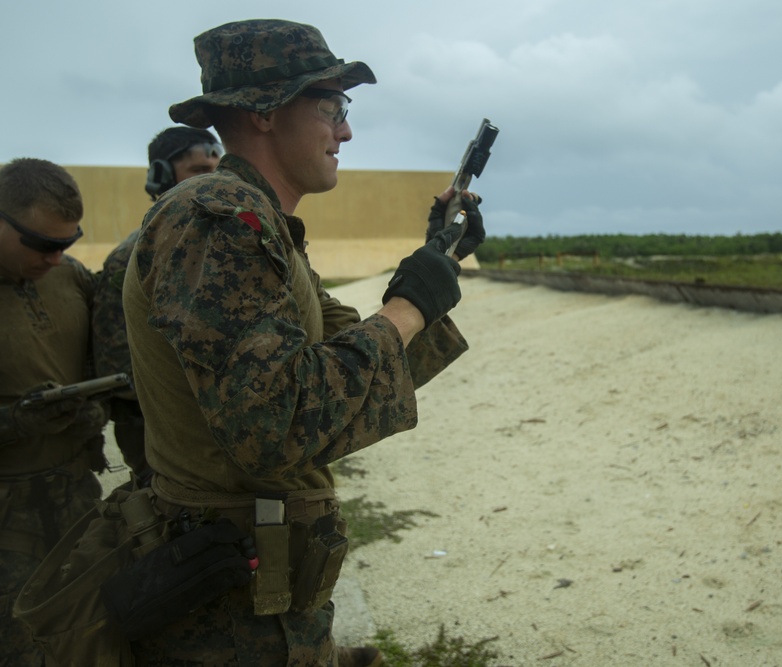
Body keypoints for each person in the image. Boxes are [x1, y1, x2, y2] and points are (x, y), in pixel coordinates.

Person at [120, 19, 485, 666]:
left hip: (266, 602)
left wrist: (437, 257)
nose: (345, 130)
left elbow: (344, 366)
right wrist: (408, 305)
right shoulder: (221, 221)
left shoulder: (261, 227)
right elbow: (279, 422)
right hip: (230, 615)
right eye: (331, 108)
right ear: (263, 112)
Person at [0, 158, 109, 666]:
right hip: (7, 519)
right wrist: (16, 422)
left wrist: (92, 408)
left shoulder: (72, 279)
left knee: (92, 635)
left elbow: (98, 364)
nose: (55, 257)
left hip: (77, 499)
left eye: (67, 243)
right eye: (43, 245)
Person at [92, 126, 222, 475]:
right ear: (161, 177)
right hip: (156, 427)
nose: (213, 181)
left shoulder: (222, 248)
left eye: (217, 171)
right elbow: (115, 361)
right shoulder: (134, 257)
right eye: (198, 172)